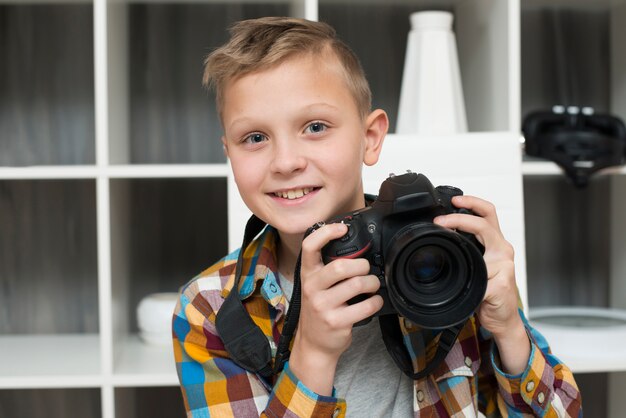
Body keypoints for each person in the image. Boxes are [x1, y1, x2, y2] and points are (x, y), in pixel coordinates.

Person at [172, 16, 582, 417]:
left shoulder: (448, 251)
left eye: (315, 127)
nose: (286, 162)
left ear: (370, 138)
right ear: (229, 154)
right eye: (255, 138)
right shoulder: (209, 308)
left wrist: (508, 327)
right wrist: (312, 354)